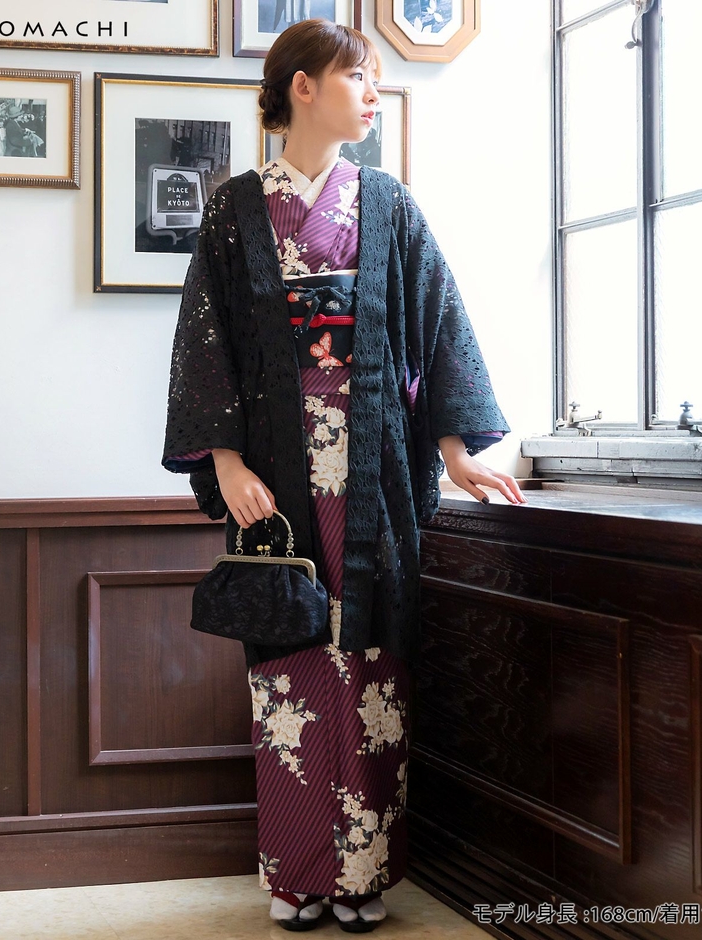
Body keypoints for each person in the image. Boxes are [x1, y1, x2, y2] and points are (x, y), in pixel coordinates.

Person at [162, 19, 526, 933]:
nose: (371, 93)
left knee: (372, 670)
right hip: (275, 477)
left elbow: (436, 325)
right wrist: (227, 461)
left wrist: (455, 451)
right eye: (356, 76)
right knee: (288, 666)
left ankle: (363, 874)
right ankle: (297, 874)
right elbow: (206, 346)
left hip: (373, 473)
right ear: (303, 87)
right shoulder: (234, 211)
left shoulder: (390, 206)